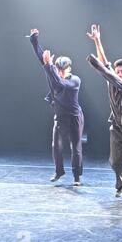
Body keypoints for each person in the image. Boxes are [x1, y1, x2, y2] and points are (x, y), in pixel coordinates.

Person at [86, 24, 122, 209]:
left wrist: (96, 63)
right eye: (117, 71)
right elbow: (105, 63)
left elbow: (103, 68)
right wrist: (97, 41)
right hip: (117, 129)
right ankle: (121, 182)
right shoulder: (111, 80)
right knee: (114, 162)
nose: (119, 74)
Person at [29, 29, 84, 186]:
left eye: (63, 70)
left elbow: (60, 84)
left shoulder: (75, 80)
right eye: (58, 69)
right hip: (60, 117)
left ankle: (77, 176)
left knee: (76, 148)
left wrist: (49, 66)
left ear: (69, 69)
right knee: (56, 146)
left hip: (74, 118)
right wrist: (34, 39)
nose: (59, 72)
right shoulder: (52, 72)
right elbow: (42, 57)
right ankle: (59, 171)